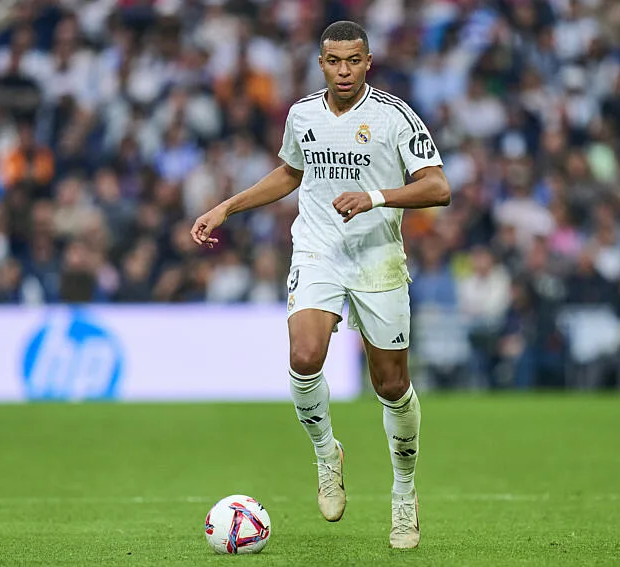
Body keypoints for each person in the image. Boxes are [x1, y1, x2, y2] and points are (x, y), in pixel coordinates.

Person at [190, 21, 450, 549]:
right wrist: (226, 208)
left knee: (391, 386)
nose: (344, 71)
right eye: (334, 61)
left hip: (378, 259)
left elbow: (438, 187)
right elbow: (290, 173)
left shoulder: (395, 116)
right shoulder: (302, 114)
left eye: (354, 60)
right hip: (318, 252)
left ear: (368, 62)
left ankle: (404, 492)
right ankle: (327, 453)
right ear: (321, 63)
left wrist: (374, 198)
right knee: (305, 356)